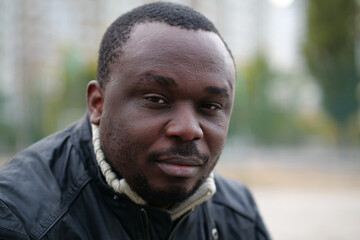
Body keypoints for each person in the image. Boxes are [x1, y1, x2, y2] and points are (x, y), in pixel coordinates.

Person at [0, 2, 270, 239]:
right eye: (155, 99)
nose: (188, 129)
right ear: (98, 103)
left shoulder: (239, 214)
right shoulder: (17, 217)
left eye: (210, 106)